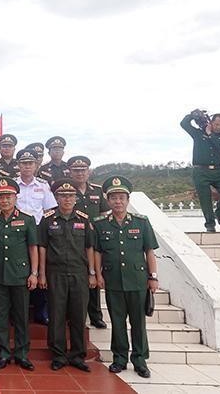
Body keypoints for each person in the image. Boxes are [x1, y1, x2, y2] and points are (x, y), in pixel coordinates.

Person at [93, 175, 159, 379]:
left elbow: (149, 251)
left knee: (138, 322)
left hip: (137, 280)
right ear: (108, 200)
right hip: (113, 280)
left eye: (121, 197)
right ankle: (119, 358)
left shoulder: (141, 222)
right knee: (118, 321)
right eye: (113, 198)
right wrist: (98, 274)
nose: (118, 202)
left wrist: (153, 277)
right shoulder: (101, 224)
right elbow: (97, 251)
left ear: (127, 199)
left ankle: (139, 359)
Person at [37, 179, 95, 373]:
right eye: (63, 196)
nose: (67, 199)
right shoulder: (48, 219)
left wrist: (92, 273)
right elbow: (42, 248)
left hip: (79, 273)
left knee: (79, 314)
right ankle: (58, 355)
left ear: (76, 198)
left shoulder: (83, 219)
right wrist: (42, 274)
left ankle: (78, 355)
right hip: (55, 273)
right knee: (56, 314)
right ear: (56, 197)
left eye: (70, 196)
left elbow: (89, 248)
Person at [0, 177, 38, 372]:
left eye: (8, 196)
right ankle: (4, 353)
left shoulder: (27, 219)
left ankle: (22, 353)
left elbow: (33, 248)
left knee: (21, 316)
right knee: (1, 315)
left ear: (15, 197)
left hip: (21, 275)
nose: (4, 200)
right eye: (1, 197)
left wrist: (34, 273)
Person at [15, 148, 57, 326]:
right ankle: (18, 311)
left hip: (39, 230)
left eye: (30, 163)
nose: (27, 166)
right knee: (18, 269)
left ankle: (40, 310)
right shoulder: (12, 185)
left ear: (36, 165)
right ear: (18, 166)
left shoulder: (43, 185)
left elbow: (49, 210)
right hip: (17, 231)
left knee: (40, 269)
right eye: (23, 163)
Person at [67, 155, 109, 329]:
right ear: (70, 172)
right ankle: (76, 315)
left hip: (94, 240)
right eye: (76, 170)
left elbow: (105, 213)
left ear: (89, 171)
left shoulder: (97, 191)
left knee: (93, 275)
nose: (79, 173)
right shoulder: (67, 192)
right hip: (74, 240)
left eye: (83, 170)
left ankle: (95, 315)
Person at [180, 110, 220, 232]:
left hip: (219, 171)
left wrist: (209, 133)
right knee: (205, 198)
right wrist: (192, 115)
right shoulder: (197, 134)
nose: (219, 127)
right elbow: (184, 124)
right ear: (211, 122)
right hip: (200, 171)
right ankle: (210, 224)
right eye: (217, 124)